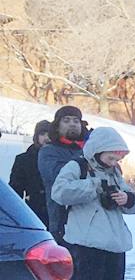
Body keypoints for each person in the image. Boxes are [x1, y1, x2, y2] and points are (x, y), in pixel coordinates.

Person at [48, 125, 135, 280]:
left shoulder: (114, 173)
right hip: (87, 243)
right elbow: (59, 192)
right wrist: (93, 185)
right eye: (111, 158)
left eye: (117, 159)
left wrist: (126, 199)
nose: (114, 162)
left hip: (115, 244)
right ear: (97, 151)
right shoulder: (77, 166)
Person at [38, 104, 88, 242]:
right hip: (63, 222)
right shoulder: (49, 151)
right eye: (66, 120)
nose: (72, 124)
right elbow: (60, 177)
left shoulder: (89, 150)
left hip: (92, 223)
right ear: (57, 126)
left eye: (76, 121)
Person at [8, 120, 52, 223]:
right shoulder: (23, 160)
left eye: (49, 134)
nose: (46, 137)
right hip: (33, 214)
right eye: (42, 134)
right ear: (36, 136)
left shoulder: (60, 159)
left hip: (58, 217)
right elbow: (15, 191)